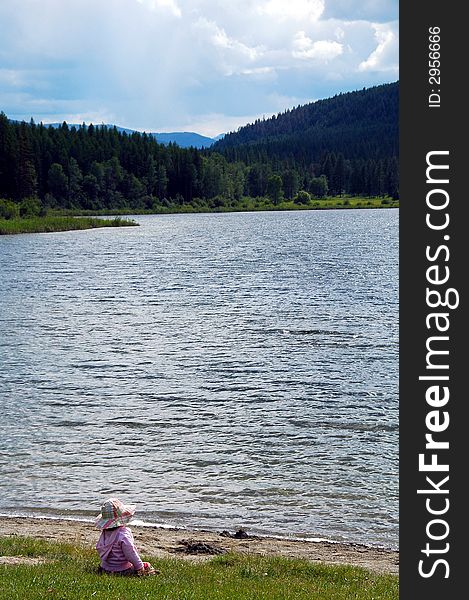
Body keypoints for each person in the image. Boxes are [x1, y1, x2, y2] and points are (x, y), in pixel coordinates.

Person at [95, 497, 157, 576]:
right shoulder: (123, 534)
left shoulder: (104, 533)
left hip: (104, 568)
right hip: (122, 569)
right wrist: (139, 567)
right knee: (147, 565)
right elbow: (130, 553)